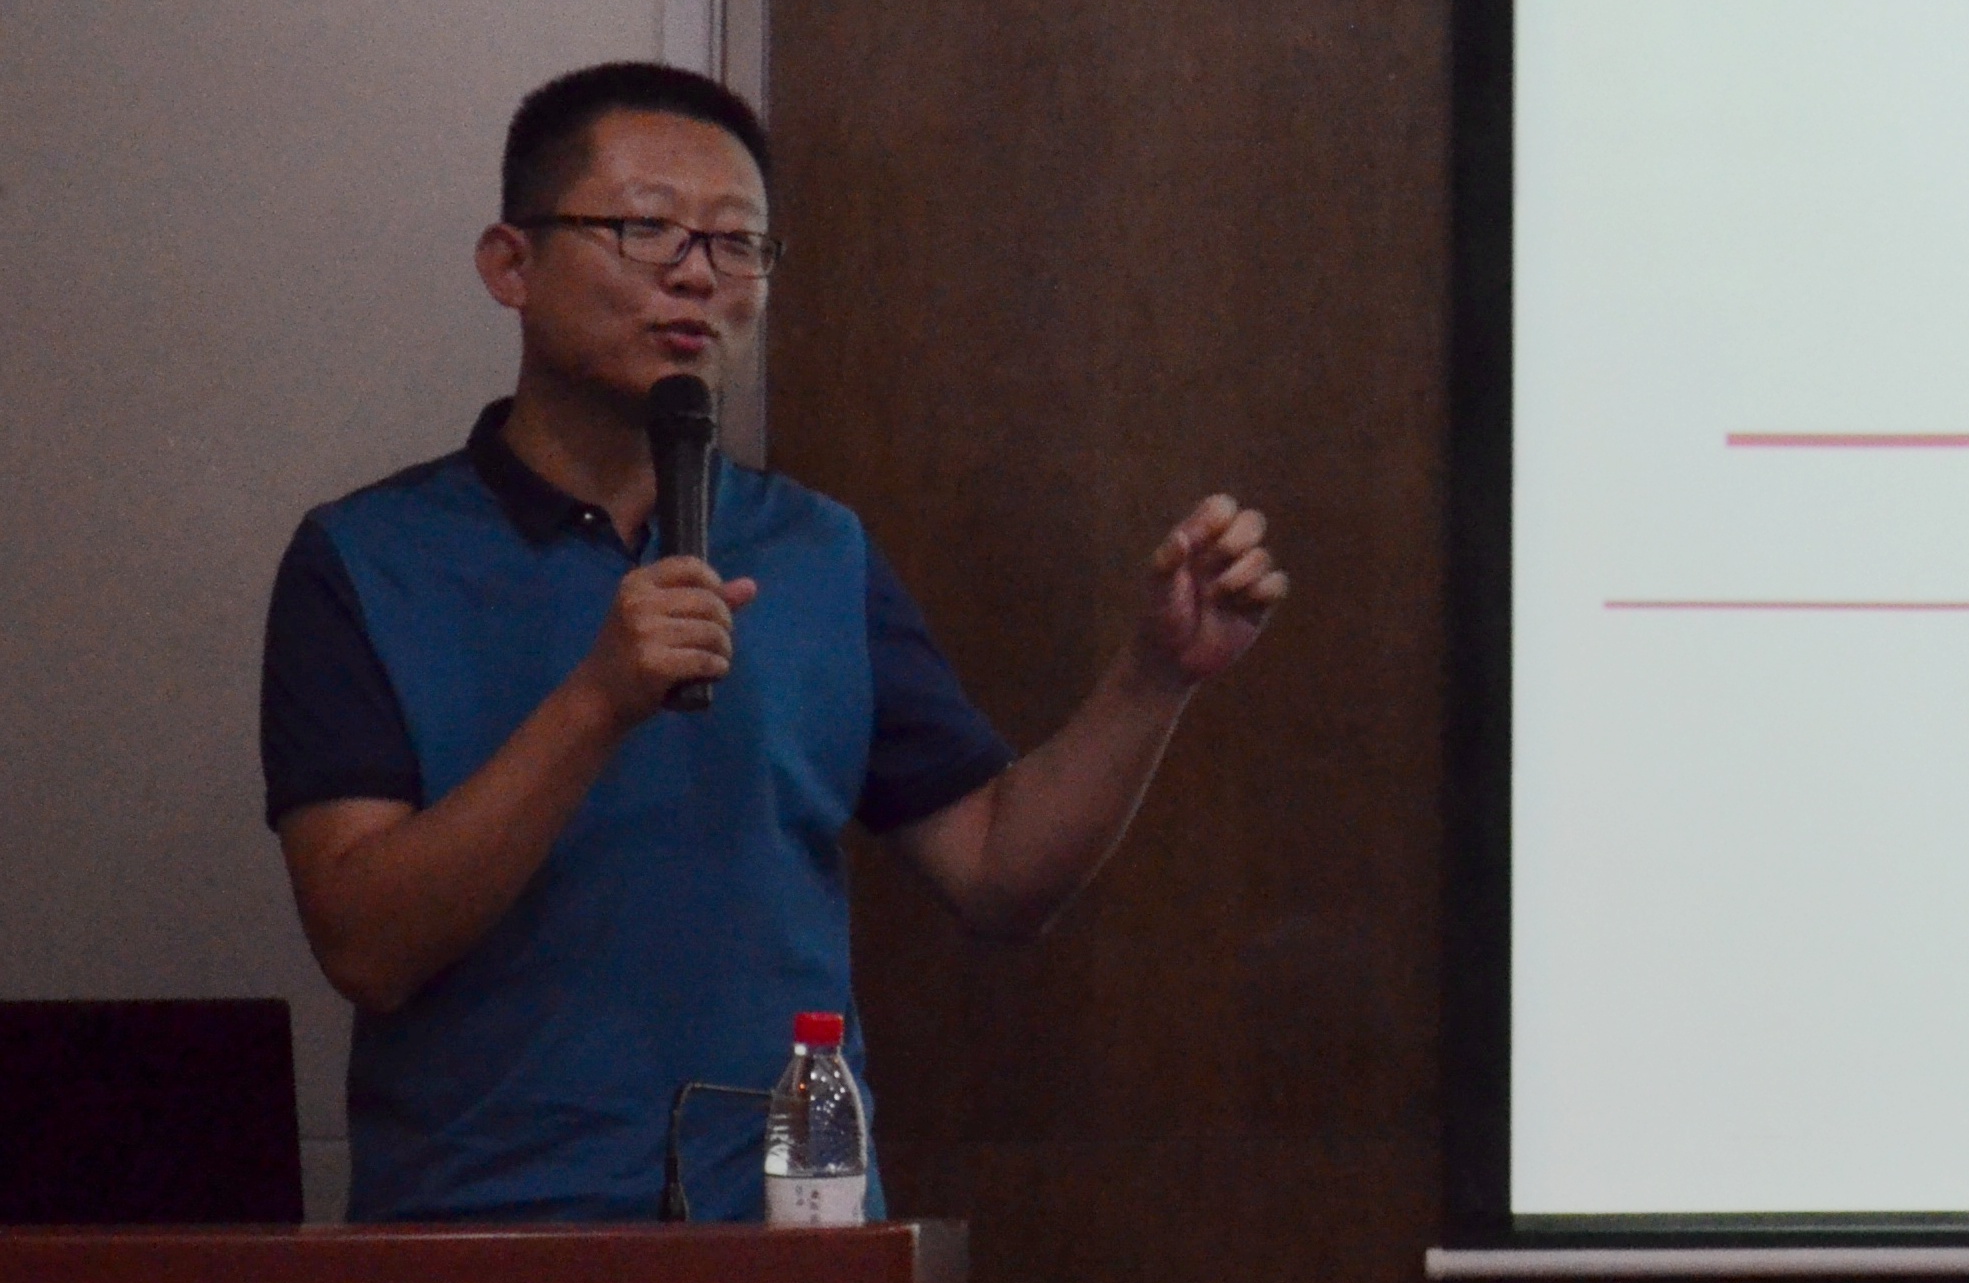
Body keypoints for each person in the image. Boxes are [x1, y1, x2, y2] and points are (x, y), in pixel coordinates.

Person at [256, 61, 1286, 1221]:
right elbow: (366, 945)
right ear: (512, 264)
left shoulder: (813, 548)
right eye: (646, 227)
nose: (697, 273)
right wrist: (594, 703)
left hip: (787, 1232)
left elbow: (999, 872)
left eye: (737, 243)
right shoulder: (367, 558)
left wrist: (1154, 675)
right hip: (484, 1235)